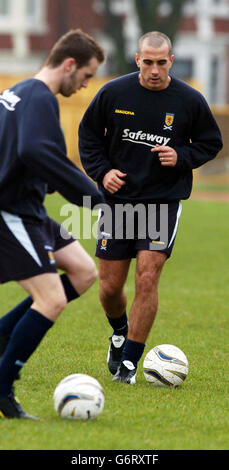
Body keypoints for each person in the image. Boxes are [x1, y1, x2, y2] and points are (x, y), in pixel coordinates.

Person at [78, 31, 223, 384]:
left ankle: (129, 362)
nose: (154, 69)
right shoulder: (113, 93)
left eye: (162, 62)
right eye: (148, 61)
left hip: (162, 202)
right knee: (110, 287)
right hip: (118, 204)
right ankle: (119, 331)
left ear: (171, 61)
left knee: (147, 276)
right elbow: (88, 137)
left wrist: (182, 156)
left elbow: (211, 142)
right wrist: (102, 172)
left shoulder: (190, 100)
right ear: (137, 59)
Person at [0, 29, 105, 419]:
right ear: (69, 64)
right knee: (52, 299)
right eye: (87, 75)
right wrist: (96, 200)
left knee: (82, 271)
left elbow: (26, 152)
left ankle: (3, 333)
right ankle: (1, 390)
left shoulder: (21, 91)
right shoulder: (41, 97)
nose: (85, 85)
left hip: (28, 207)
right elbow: (35, 150)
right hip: (10, 210)